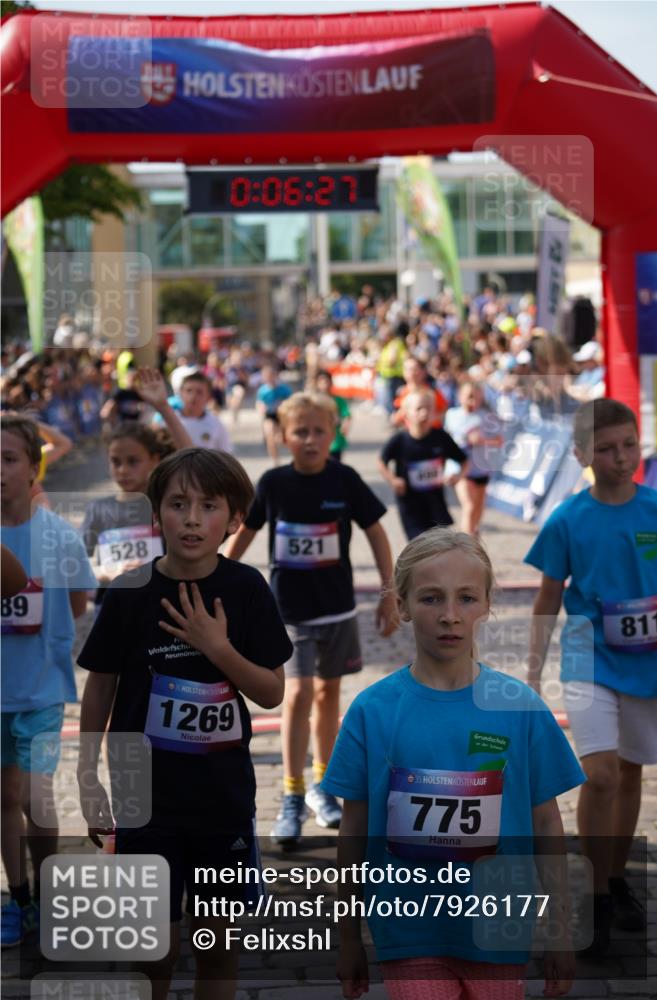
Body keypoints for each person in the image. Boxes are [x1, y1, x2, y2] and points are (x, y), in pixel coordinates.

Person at [322, 527, 584, 1000]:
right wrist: (347, 939)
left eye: (466, 598)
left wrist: (560, 929)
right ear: (400, 606)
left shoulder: (518, 708)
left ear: (487, 604)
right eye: (430, 599)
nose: (449, 616)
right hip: (408, 932)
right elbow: (353, 832)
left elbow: (547, 822)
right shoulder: (372, 711)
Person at [76, 447, 293, 1000]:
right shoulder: (129, 592)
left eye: (209, 505)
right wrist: (86, 776)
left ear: (234, 519)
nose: (192, 518)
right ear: (156, 514)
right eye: (178, 504)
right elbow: (100, 683)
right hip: (143, 800)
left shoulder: (247, 589)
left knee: (217, 950)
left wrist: (217, 648)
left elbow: (270, 692)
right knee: (154, 950)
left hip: (222, 802)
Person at [525, 398, 657, 957]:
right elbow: (546, 597)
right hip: (587, 660)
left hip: (647, 663)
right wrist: (532, 672)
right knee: (601, 775)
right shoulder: (567, 519)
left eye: (628, 445)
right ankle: (597, 895)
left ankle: (615, 879)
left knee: (630, 774)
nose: (619, 457)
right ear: (581, 454)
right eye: (605, 449)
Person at [226, 392, 399, 847]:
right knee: (297, 695)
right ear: (283, 437)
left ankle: (323, 787)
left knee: (327, 697)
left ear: (334, 434)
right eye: (299, 432)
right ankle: (291, 793)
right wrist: (216, 577)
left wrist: (389, 591)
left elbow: (377, 531)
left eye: (319, 431)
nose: (309, 439)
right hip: (289, 614)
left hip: (338, 609)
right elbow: (247, 531)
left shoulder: (344, 480)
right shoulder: (274, 483)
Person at [1, 414, 96, 948]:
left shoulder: (57, 535)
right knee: (3, 796)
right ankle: (19, 898)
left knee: (37, 795)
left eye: (10, 459)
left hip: (40, 685)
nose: (0, 471)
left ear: (34, 467)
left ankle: (49, 891)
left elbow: (78, 602)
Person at [82, 370, 194, 609]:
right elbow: (79, 562)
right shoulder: (99, 509)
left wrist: (163, 407)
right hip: (112, 609)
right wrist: (107, 572)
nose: (123, 470)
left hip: (163, 606)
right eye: (115, 461)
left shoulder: (165, 503)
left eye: (133, 461)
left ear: (154, 459)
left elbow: (193, 460)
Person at [379, 389, 469, 541]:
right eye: (419, 408)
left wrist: (457, 476)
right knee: (419, 546)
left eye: (429, 408)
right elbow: (381, 461)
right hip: (410, 505)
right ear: (406, 413)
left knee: (439, 546)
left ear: (435, 412)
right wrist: (392, 480)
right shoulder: (399, 440)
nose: (424, 412)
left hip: (436, 504)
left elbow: (464, 461)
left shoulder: (441, 437)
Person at [444, 381, 504, 538]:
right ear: (460, 396)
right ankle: (465, 544)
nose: (473, 401)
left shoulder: (486, 417)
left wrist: (482, 441)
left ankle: (472, 536)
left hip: (481, 468)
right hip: (461, 468)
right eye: (469, 397)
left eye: (477, 398)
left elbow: (499, 441)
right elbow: (446, 441)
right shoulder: (452, 415)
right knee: (469, 506)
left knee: (478, 509)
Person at [175, 371, 232, 452]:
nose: (193, 396)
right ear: (180, 393)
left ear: (208, 397)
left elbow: (225, 454)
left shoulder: (216, 424)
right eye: (189, 390)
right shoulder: (168, 421)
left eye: (199, 392)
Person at [391, 356, 448, 429]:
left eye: (414, 369)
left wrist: (430, 419)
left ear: (423, 372)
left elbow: (444, 411)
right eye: (407, 369)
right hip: (410, 434)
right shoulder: (401, 392)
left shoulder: (432, 392)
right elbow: (395, 419)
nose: (410, 372)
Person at [256, 363, 292, 465]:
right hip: (269, 416)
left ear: (275, 376)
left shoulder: (284, 389)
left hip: (282, 416)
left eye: (271, 375)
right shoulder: (262, 391)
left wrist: (283, 404)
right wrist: (261, 408)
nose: (269, 378)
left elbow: (291, 402)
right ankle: (275, 460)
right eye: (266, 376)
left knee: (279, 439)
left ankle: (279, 450)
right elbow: (259, 403)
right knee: (269, 434)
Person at [315, 369, 352, 461]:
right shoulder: (314, 401)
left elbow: (346, 414)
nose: (324, 385)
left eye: (326, 381)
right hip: (319, 441)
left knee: (335, 466)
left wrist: (345, 424)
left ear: (331, 383)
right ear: (317, 384)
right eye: (321, 382)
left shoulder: (338, 400)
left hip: (335, 440)